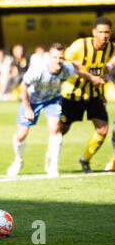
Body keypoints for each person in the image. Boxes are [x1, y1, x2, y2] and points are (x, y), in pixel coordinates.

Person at [7, 43, 103, 178]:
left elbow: (80, 73)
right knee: (21, 135)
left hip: (53, 100)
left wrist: (93, 78)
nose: (58, 61)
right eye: (54, 57)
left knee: (55, 129)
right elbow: (23, 87)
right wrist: (28, 109)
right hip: (32, 101)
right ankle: (18, 160)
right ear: (48, 57)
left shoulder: (67, 68)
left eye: (61, 58)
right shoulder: (38, 70)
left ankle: (53, 167)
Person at [60, 17, 115, 173]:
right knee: (62, 129)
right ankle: (51, 155)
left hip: (93, 95)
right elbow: (63, 61)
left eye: (107, 32)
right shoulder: (80, 45)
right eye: (101, 32)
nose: (104, 36)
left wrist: (109, 67)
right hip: (72, 95)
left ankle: (85, 160)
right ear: (93, 32)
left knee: (102, 129)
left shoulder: (111, 48)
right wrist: (89, 76)